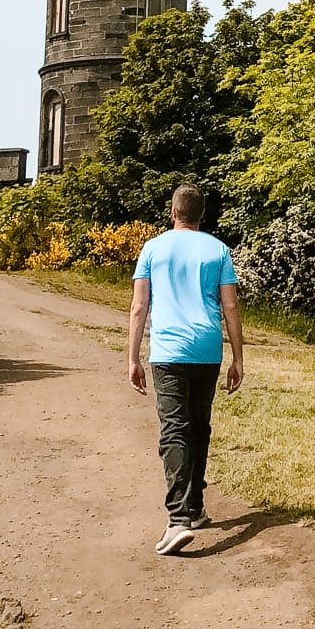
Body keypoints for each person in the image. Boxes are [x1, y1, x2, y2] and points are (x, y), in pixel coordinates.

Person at [127, 184, 244, 555]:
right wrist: (238, 357)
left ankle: (177, 519)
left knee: (174, 430)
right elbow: (231, 307)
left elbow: (139, 307)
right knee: (199, 426)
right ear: (201, 215)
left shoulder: (153, 248)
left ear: (173, 212)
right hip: (208, 350)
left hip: (169, 351)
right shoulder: (218, 250)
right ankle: (194, 508)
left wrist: (132, 357)